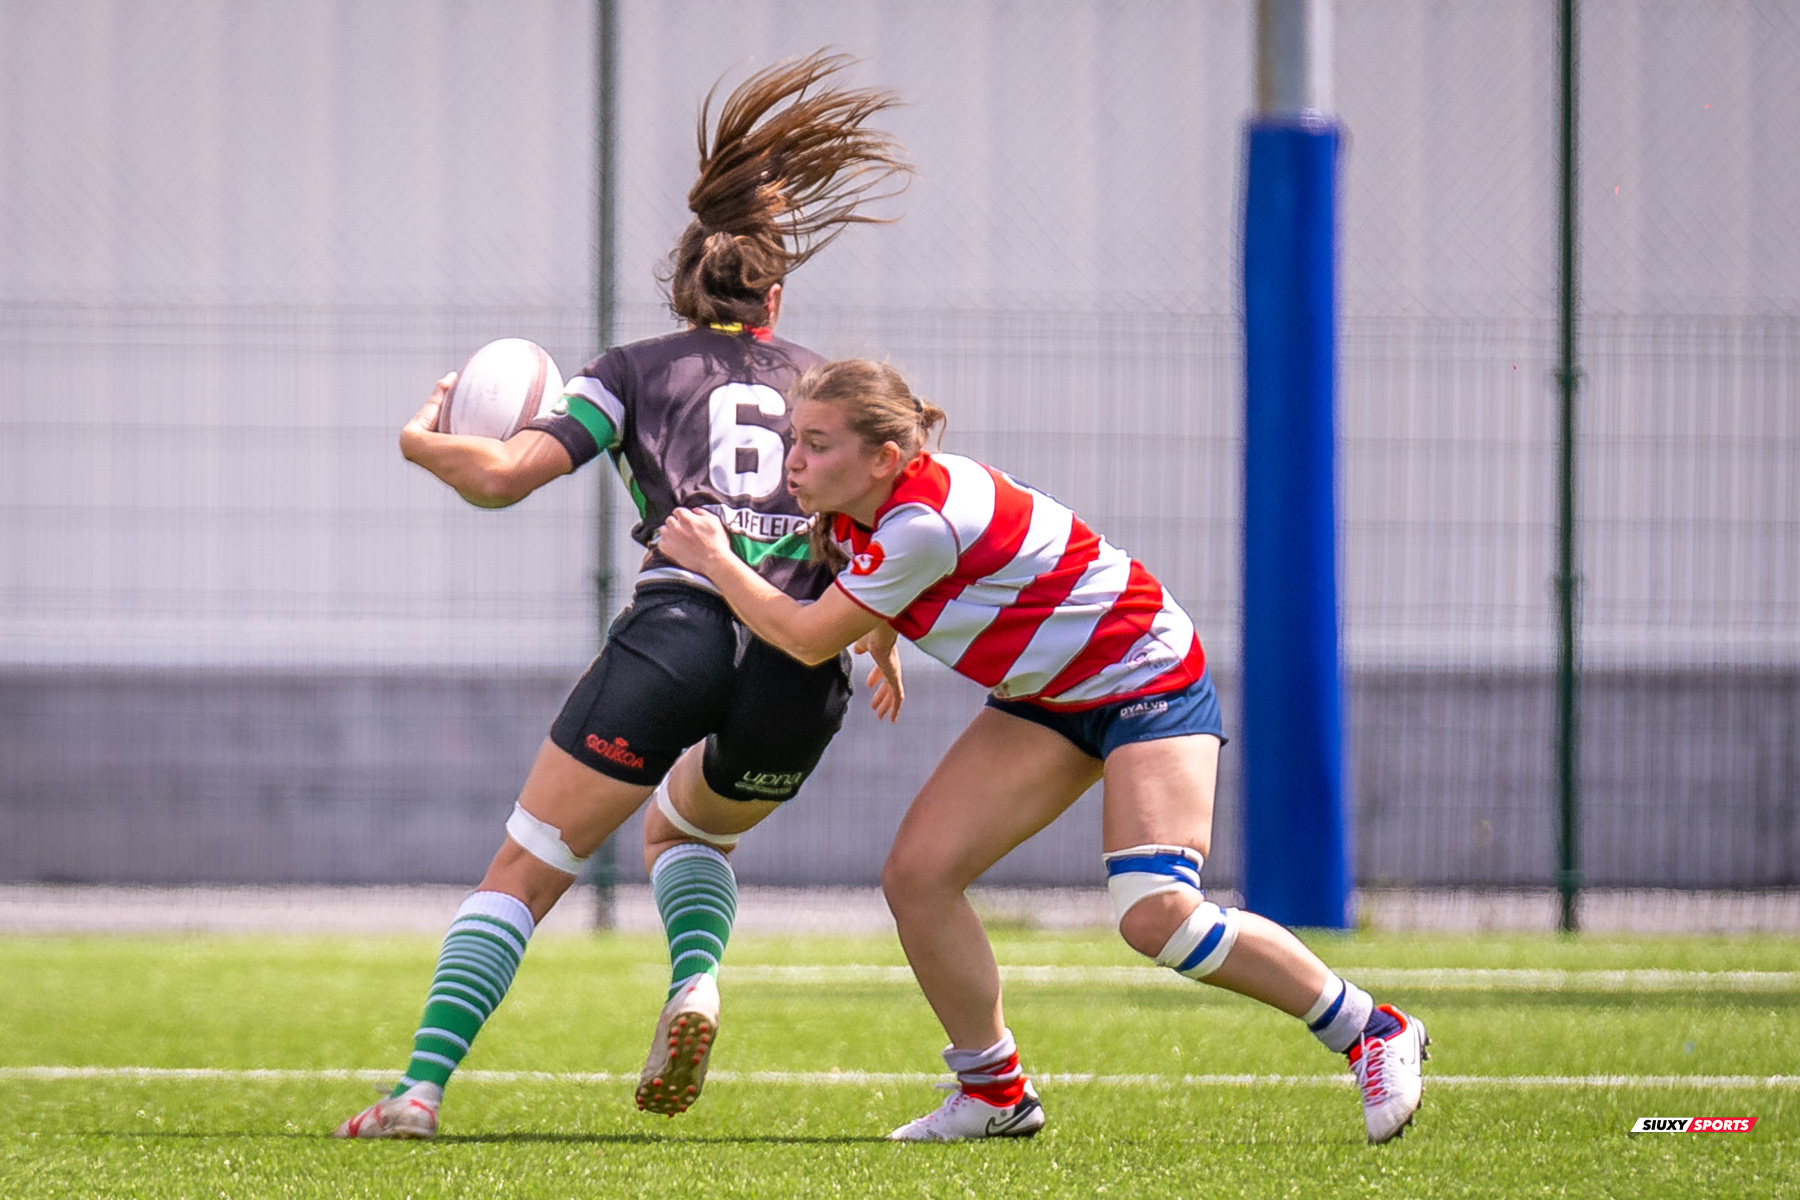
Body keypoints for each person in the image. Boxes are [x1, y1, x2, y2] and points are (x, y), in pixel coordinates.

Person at [334, 54, 910, 1140]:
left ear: (682, 288)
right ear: (775, 297)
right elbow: (888, 539)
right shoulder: (825, 385)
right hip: (803, 663)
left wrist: (424, 442)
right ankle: (696, 978)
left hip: (678, 633)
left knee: (529, 868)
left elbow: (504, 479)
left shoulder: (632, 371)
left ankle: (417, 1093)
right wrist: (875, 645)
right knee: (688, 835)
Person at [657, 358, 1431, 1144]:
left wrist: (715, 559)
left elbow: (803, 636)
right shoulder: (870, 507)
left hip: (1144, 678)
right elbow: (869, 583)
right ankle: (994, 1092)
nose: (794, 459)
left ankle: (1371, 1029)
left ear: (885, 457)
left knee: (1158, 914)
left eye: (816, 443)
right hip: (1049, 697)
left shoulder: (922, 520)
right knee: (919, 877)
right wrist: (883, 640)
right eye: (796, 438)